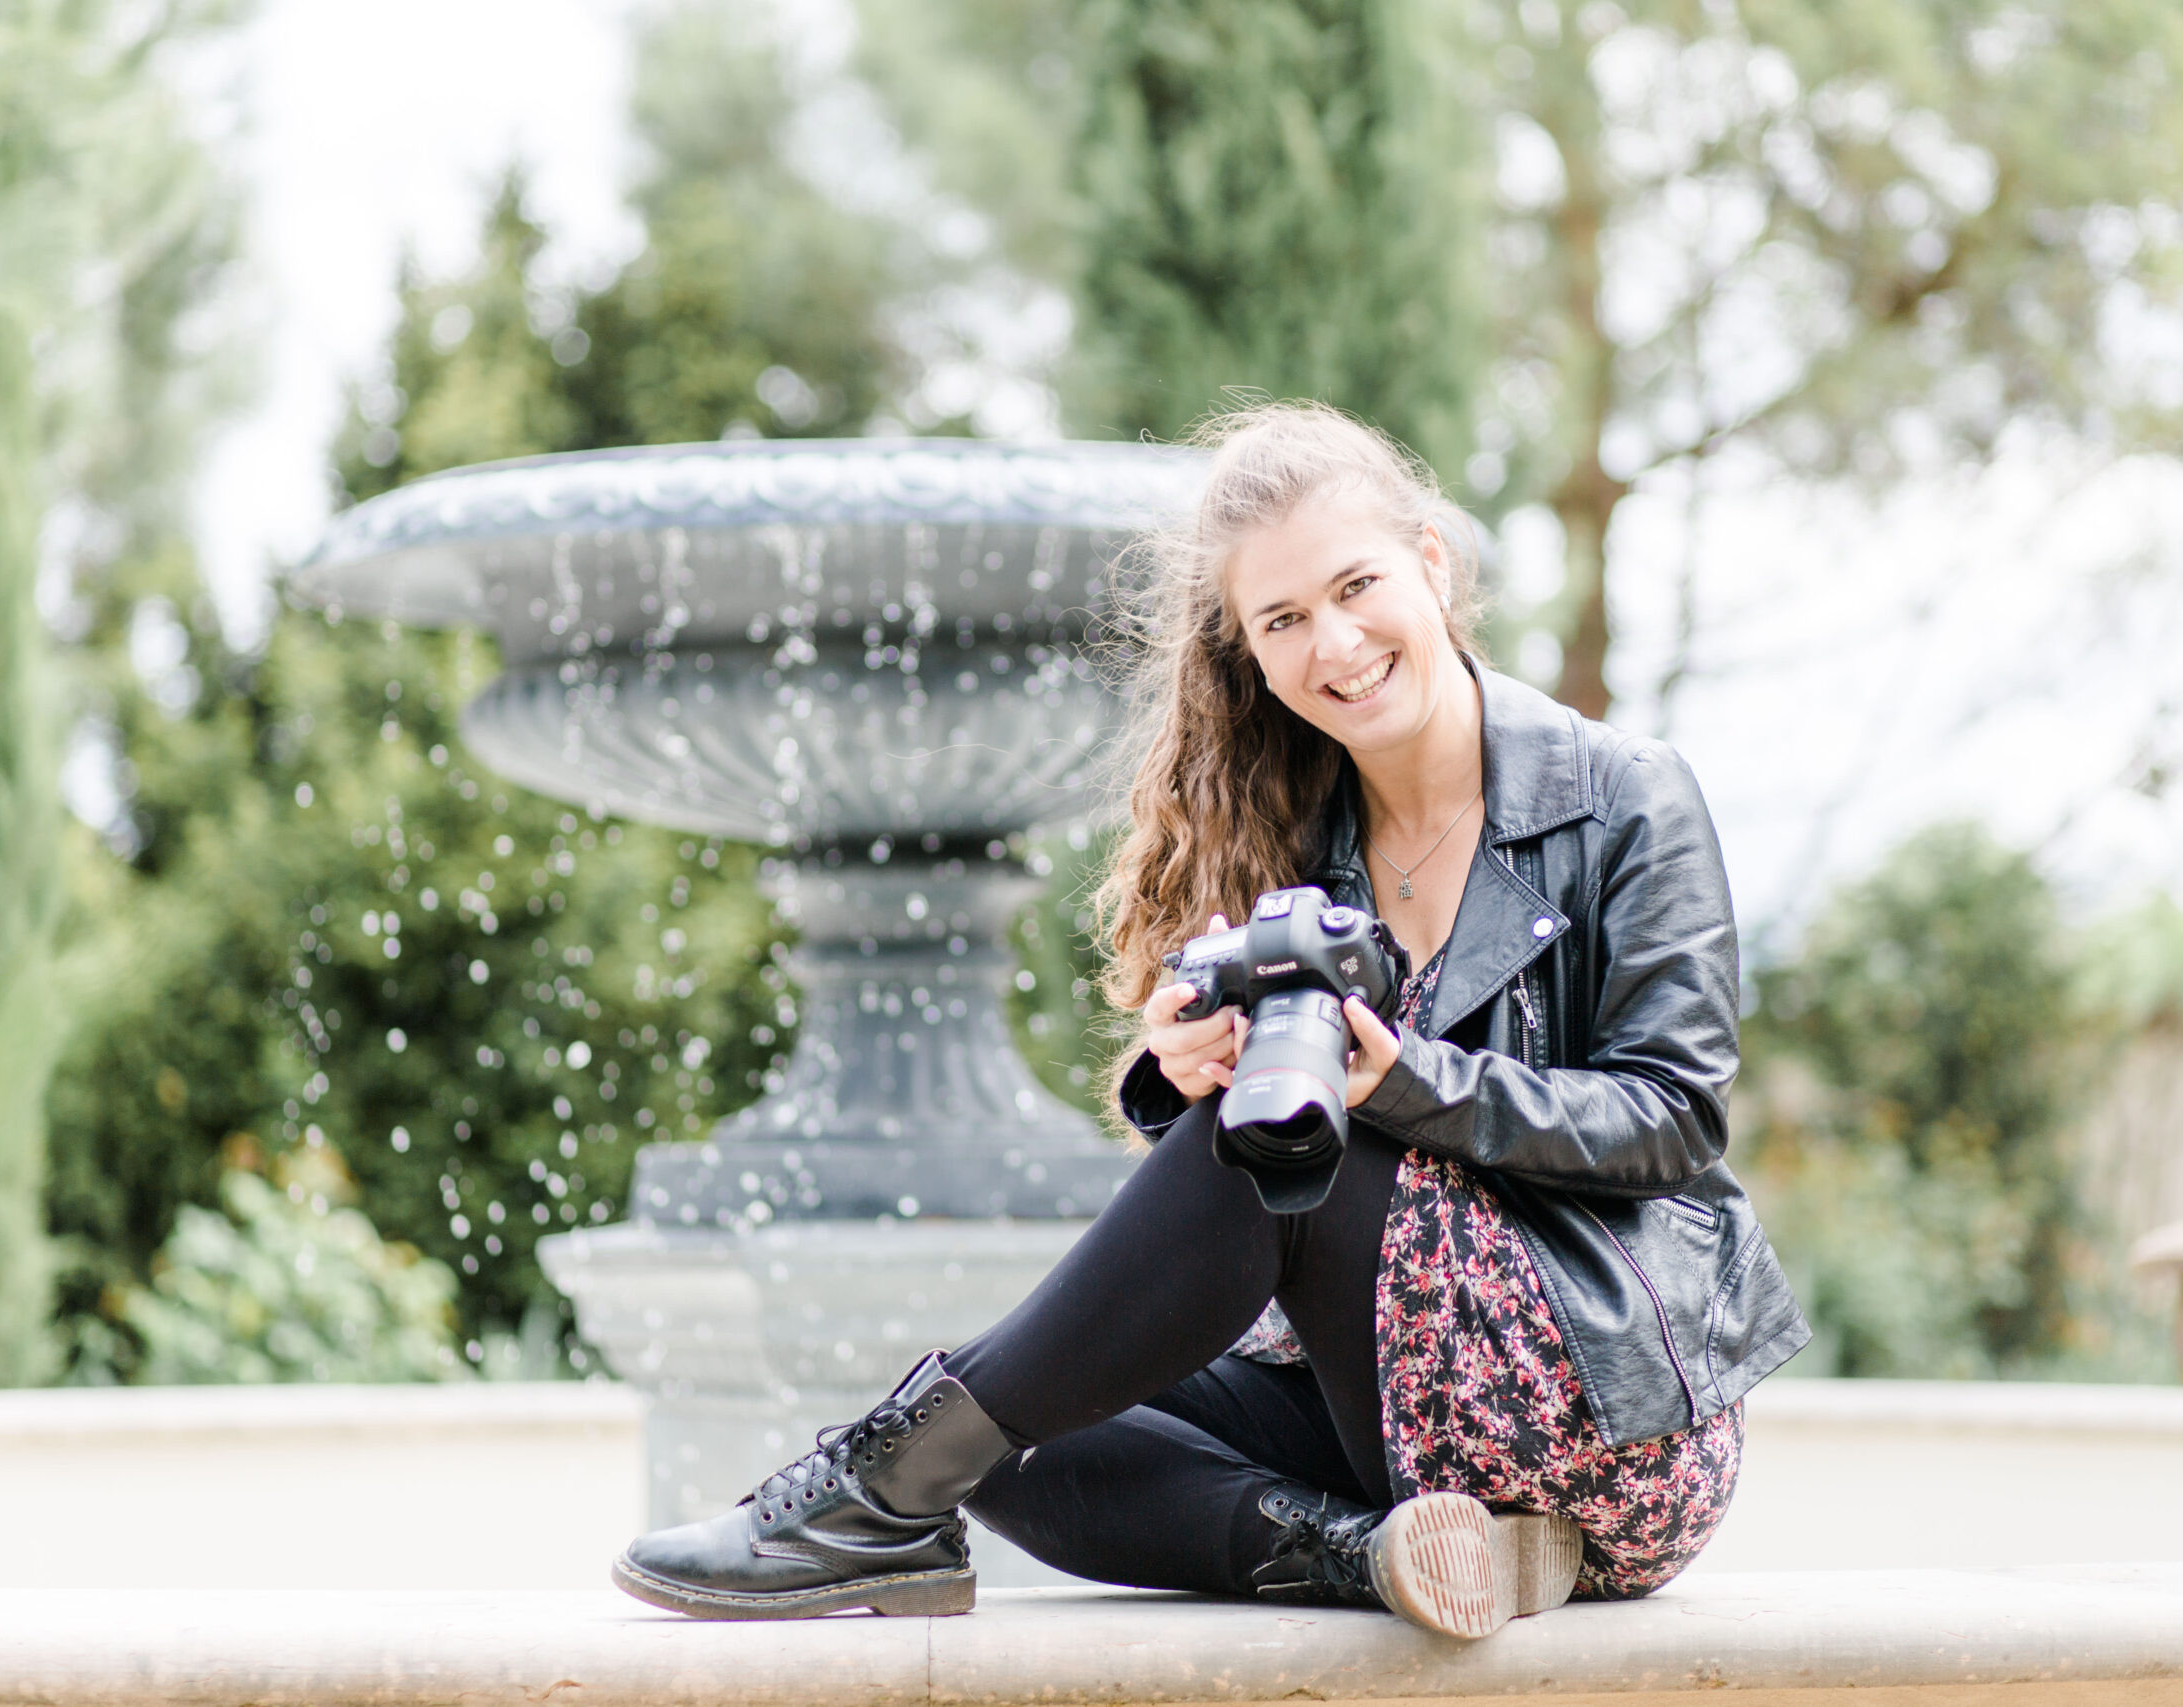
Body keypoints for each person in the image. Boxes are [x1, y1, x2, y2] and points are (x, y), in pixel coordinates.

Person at [612, 402, 1809, 1636]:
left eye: (1356, 587)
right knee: (1015, 1445)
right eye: (1282, 620)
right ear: (1250, 654)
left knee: (1215, 1219)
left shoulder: (1623, 796)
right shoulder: (1294, 838)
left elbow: (1673, 1117)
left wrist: (1401, 1082)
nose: (1334, 643)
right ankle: (1382, 1556)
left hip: (1610, 1415)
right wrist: (1183, 1072)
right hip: (1384, 1409)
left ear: (1431, 566)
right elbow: (1237, 1218)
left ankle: (866, 1489)